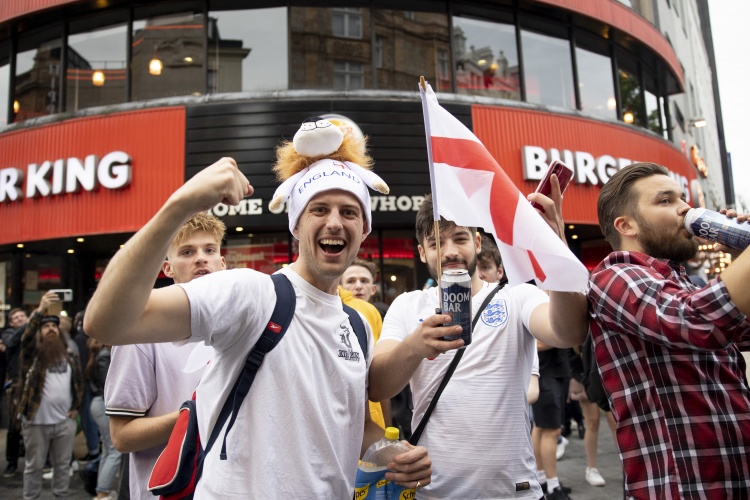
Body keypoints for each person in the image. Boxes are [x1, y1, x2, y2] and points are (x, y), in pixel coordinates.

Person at [85, 153, 432, 495]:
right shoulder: (250, 294)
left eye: (349, 212)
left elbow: (350, 427)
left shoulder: (356, 325)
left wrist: (390, 455)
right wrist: (180, 206)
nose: (335, 222)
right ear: (296, 224)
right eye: (319, 209)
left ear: (364, 229)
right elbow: (106, 322)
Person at [368, 187, 588, 499]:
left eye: (459, 238)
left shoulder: (517, 296)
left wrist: (555, 253)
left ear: (477, 242)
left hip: (514, 491)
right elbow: (378, 386)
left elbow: (569, 332)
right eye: (436, 243)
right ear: (421, 253)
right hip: (433, 492)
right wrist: (416, 345)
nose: (450, 251)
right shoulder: (407, 305)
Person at [588, 162, 750, 498]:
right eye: (665, 201)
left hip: (732, 475)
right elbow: (698, 323)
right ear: (626, 225)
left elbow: (739, 329)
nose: (685, 209)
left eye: (683, 199)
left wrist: (739, 259)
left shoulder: (681, 281)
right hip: (682, 485)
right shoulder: (615, 275)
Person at [104, 212, 226, 500]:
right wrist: (196, 413)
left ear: (223, 262)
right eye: (187, 252)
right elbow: (122, 437)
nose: (201, 258)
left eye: (209, 250)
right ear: (168, 268)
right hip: (166, 491)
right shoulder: (141, 331)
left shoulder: (244, 324)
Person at [17, 291, 84, 500]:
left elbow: (79, 384)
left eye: (54, 326)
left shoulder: (70, 355)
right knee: (33, 467)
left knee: (63, 467)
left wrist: (76, 407)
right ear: (40, 332)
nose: (51, 329)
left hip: (64, 422)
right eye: (46, 326)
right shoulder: (32, 356)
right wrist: (39, 310)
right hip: (36, 422)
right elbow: (26, 338)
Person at [532, 344, 572, 498]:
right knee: (551, 430)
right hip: (545, 372)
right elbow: (534, 343)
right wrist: (561, 336)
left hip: (556, 370)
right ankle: (552, 486)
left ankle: (543, 479)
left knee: (541, 427)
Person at [87, 336, 121, 499]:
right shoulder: (104, 356)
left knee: (108, 449)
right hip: (103, 404)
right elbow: (107, 384)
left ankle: (101, 490)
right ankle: (102, 491)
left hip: (99, 403)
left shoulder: (99, 355)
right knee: (114, 450)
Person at [2, 307, 29, 477]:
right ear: (11, 323)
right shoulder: (7, 334)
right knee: (14, 426)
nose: (19, 318)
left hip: (34, 383)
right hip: (17, 384)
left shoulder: (33, 332)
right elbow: (11, 342)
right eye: (16, 317)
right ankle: (11, 463)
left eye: (22, 316)